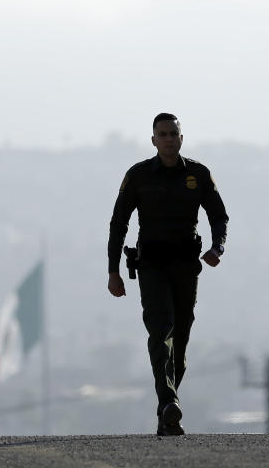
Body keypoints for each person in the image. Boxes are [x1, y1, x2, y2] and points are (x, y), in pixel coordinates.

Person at [107, 112, 229, 436]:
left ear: (181, 137)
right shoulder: (139, 176)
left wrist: (217, 248)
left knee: (182, 340)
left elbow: (219, 216)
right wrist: (113, 272)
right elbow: (119, 223)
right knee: (161, 331)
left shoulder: (199, 175)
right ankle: (169, 402)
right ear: (153, 140)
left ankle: (165, 412)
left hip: (186, 266)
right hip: (152, 266)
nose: (168, 139)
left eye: (173, 134)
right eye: (162, 134)